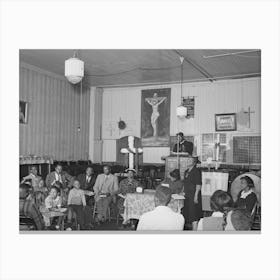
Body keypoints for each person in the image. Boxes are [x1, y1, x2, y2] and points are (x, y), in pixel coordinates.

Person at [182, 156, 203, 230]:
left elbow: (198, 184)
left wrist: (196, 196)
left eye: (189, 160)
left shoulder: (196, 171)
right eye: (187, 160)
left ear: (194, 162)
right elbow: (185, 183)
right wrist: (183, 192)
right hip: (187, 195)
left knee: (194, 214)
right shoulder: (186, 171)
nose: (187, 161)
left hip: (194, 195)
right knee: (188, 213)